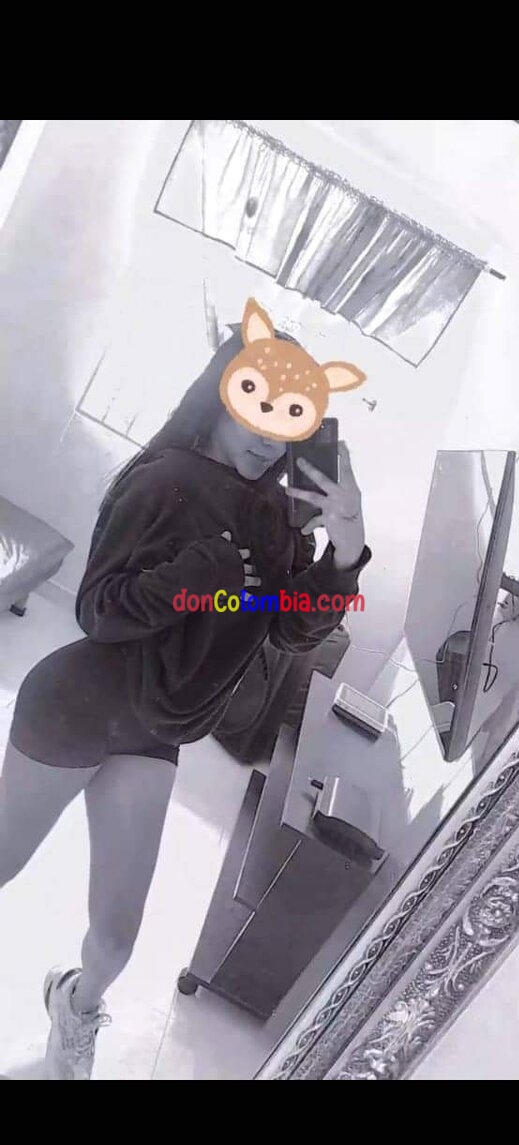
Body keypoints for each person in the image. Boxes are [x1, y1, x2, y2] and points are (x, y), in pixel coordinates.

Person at [0, 323, 371, 1081]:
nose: (267, 435)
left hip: (155, 731)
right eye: (254, 405)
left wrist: (345, 547)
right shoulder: (164, 478)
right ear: (222, 393)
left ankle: (73, 1007)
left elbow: (289, 627)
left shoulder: (278, 515)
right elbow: (99, 611)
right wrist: (199, 575)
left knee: (116, 940)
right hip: (79, 704)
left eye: (287, 418)